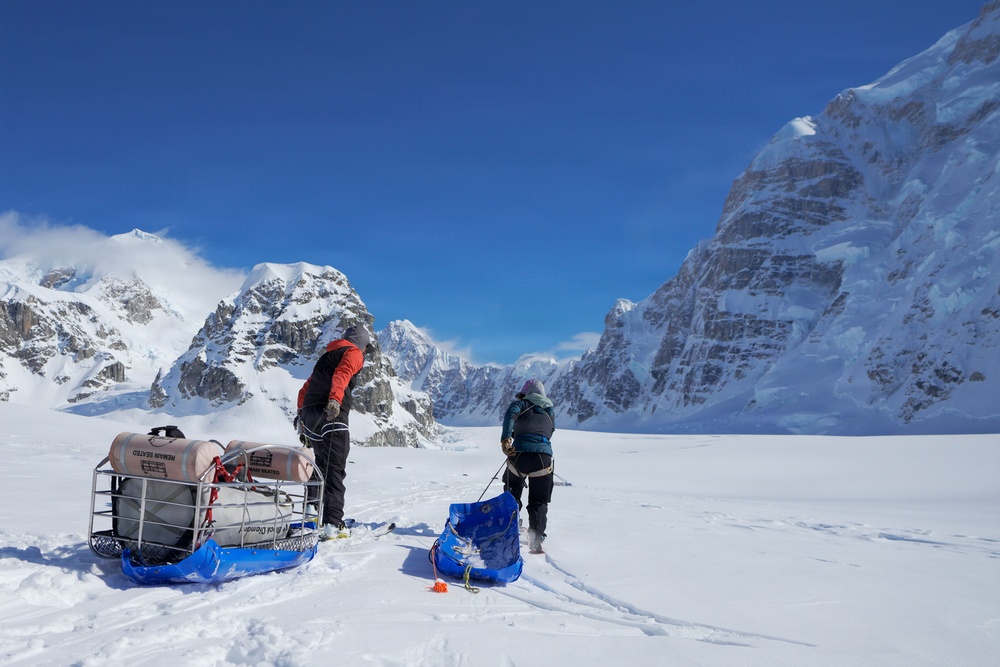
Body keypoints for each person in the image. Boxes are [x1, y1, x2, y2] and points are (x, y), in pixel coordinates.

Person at [296, 325, 374, 539]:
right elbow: (343, 373)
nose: (365, 352)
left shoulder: (326, 356)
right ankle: (332, 523)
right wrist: (335, 400)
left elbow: (306, 388)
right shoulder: (354, 352)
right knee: (335, 467)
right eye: (366, 348)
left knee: (320, 463)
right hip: (331, 413)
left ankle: (311, 509)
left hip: (310, 414)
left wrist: (301, 417)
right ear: (361, 344)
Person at [500, 378, 555, 553]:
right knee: (539, 499)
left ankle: (510, 527)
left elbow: (510, 415)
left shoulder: (521, 404)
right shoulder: (550, 410)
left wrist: (507, 438)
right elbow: (550, 432)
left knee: (513, 489)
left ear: (527, 393)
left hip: (519, 454)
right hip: (543, 457)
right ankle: (536, 536)